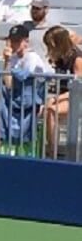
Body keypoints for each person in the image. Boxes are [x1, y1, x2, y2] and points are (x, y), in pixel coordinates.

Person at [0, 25, 52, 154]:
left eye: (17, 41)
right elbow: (7, 83)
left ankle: (0, 140)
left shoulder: (32, 58)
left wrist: (7, 62)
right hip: (12, 97)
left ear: (26, 42)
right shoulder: (13, 58)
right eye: (12, 40)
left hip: (28, 100)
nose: (14, 44)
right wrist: (7, 61)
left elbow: (12, 85)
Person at [42, 26, 82, 158]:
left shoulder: (77, 59)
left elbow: (78, 87)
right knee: (45, 108)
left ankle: (52, 150)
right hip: (64, 96)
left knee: (53, 110)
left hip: (77, 97)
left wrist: (56, 98)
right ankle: (47, 145)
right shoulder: (59, 58)